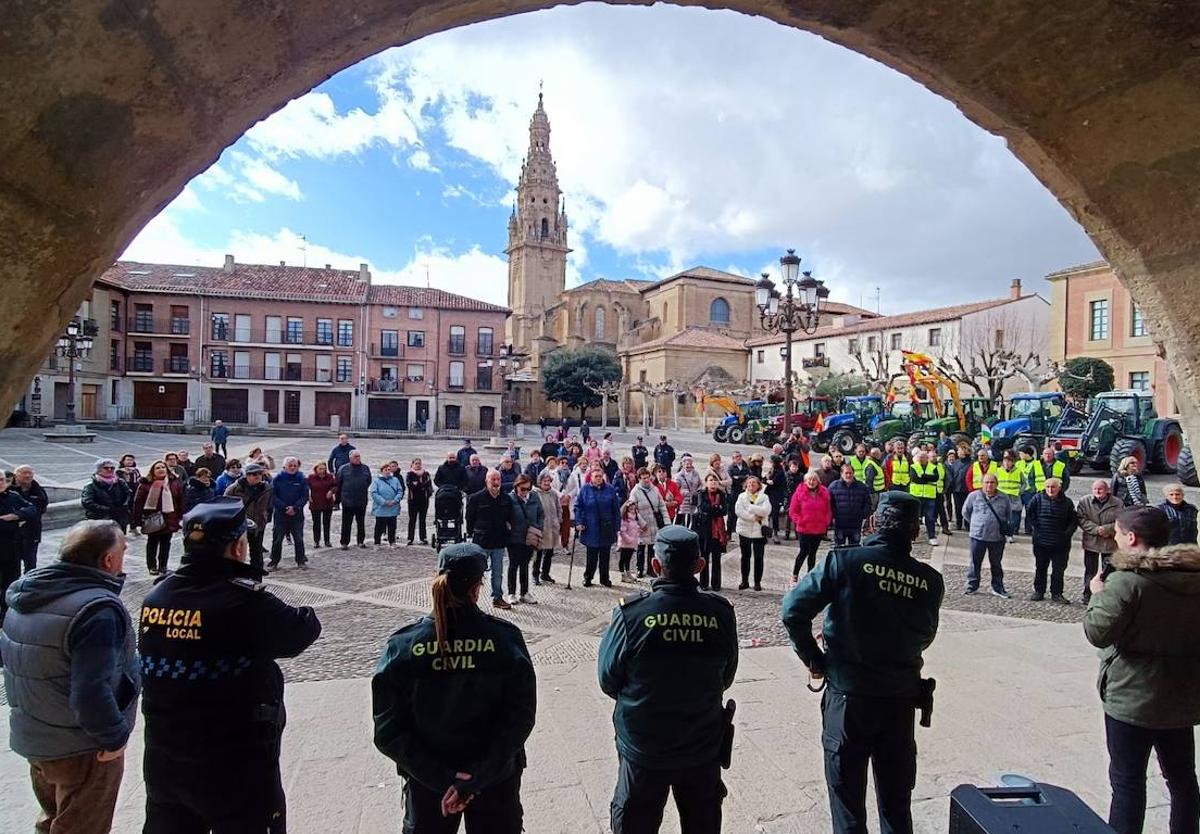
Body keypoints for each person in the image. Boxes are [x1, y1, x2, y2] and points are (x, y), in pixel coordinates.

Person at [139, 498, 322, 832]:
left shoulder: (157, 597)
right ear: (238, 547)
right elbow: (302, 629)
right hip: (233, 755)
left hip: (165, 753)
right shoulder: (243, 600)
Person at [782, 491, 944, 834]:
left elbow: (792, 611)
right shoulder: (929, 581)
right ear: (915, 532)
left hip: (849, 698)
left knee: (848, 809)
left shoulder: (844, 562)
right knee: (897, 807)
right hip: (899, 700)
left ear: (873, 523)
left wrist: (816, 660)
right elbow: (926, 635)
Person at [372, 542, 535, 834]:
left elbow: (388, 730)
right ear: (477, 587)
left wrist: (444, 778)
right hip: (494, 778)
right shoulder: (505, 640)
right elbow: (520, 717)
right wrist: (475, 777)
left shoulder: (404, 647)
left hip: (429, 783)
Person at [0, 519, 139, 834]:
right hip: (82, 747)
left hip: (37, 738)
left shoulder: (26, 596)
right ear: (107, 559)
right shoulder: (96, 609)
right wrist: (115, 737)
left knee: (53, 820)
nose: (124, 555)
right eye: (122, 549)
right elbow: (91, 691)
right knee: (81, 826)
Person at [598, 525, 738, 834]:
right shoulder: (720, 613)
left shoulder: (631, 615)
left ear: (656, 565)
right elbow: (726, 676)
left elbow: (608, 679)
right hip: (701, 743)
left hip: (645, 745)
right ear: (700, 567)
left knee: (635, 822)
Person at [1084, 505, 1200, 834]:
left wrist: (1097, 596)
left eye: (1118, 534)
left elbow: (1097, 631)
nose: (1115, 539)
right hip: (1181, 695)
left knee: (1127, 785)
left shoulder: (1129, 582)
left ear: (1131, 538)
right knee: (1183, 781)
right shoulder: (1194, 578)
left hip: (1132, 697)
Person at [466, 470, 516, 610]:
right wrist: (471, 533)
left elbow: (510, 517)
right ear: (486, 481)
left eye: (498, 479)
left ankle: (497, 597)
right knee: (476, 572)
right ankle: (470, 599)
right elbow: (469, 518)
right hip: (481, 541)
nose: (496, 482)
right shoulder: (476, 498)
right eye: (493, 479)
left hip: (499, 541)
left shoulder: (506, 498)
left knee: (497, 571)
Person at [962, 472, 1015, 598]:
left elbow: (1008, 515)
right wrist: (977, 523)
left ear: (997, 484)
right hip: (977, 536)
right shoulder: (973, 496)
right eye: (986, 482)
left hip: (997, 537)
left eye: (992, 482)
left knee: (996, 563)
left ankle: (997, 587)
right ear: (982, 484)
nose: (989, 485)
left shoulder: (1004, 497)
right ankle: (972, 586)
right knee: (975, 562)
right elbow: (966, 512)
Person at [1026, 477, 1079, 602]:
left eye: (1053, 487)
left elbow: (1073, 522)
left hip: (1060, 544)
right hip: (1041, 542)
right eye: (1048, 487)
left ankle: (1057, 593)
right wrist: (1037, 530)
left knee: (1058, 570)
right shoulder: (1037, 499)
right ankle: (1039, 591)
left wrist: (1066, 535)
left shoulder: (1067, 502)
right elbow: (1030, 514)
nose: (1050, 489)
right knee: (1040, 567)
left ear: (1059, 488)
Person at [133, 460, 184, 576]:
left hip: (170, 517)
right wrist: (137, 520)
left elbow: (181, 499)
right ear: (153, 471)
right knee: (152, 543)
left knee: (166, 544)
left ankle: (163, 566)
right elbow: (138, 502)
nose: (161, 469)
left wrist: (181, 516)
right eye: (158, 468)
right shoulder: (146, 484)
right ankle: (152, 566)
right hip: (153, 518)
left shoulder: (174, 483)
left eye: (163, 467)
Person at [0, 470, 39, 623]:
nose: (1, 483)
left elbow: (32, 509)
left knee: (10, 583)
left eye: (3, 480)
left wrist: (17, 516)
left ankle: (5, 614)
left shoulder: (12, 496)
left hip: (12, 549)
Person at [1077, 479, 1123, 604]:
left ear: (1107, 490)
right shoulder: (1085, 501)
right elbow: (1081, 519)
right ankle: (1088, 594)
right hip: (1092, 541)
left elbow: (1121, 520)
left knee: (1109, 570)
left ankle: (1107, 594)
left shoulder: (1117, 503)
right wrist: (1096, 529)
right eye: (1095, 489)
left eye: (1100, 489)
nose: (1097, 491)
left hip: (1109, 542)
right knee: (1090, 570)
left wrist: (1108, 529)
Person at [576, 467, 621, 588]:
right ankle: (588, 577)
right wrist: (579, 522)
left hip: (607, 527)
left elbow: (616, 509)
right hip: (591, 527)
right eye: (596, 476)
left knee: (605, 556)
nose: (599, 479)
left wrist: (617, 527)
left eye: (600, 476)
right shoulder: (585, 489)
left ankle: (604, 578)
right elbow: (578, 507)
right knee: (591, 556)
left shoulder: (610, 490)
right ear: (591, 477)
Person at [225, 462, 273, 571]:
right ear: (247, 476)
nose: (257, 476)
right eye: (254, 474)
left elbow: (270, 505)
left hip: (258, 525)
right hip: (239, 527)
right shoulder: (234, 489)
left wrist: (266, 518)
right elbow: (225, 507)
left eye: (260, 473)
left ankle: (257, 579)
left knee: (257, 554)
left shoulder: (267, 488)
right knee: (237, 554)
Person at [506, 475, 543, 604]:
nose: (525, 492)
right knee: (513, 565)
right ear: (516, 487)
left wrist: (538, 528)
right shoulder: (510, 498)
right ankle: (511, 593)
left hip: (530, 537)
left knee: (525, 565)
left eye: (528, 489)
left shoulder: (534, 496)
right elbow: (505, 516)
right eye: (523, 489)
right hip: (514, 538)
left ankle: (524, 592)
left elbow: (541, 514)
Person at [789, 470, 832, 581]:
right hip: (804, 528)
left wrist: (826, 522)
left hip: (818, 528)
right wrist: (800, 521)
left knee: (813, 553)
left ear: (818, 481)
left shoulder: (824, 492)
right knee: (803, 552)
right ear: (805, 481)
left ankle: (809, 575)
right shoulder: (799, 492)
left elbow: (828, 510)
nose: (811, 482)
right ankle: (795, 574)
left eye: (814, 480)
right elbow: (793, 511)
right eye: (809, 480)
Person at [268, 456, 310, 570]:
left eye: (295, 466)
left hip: (297, 514)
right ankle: (274, 561)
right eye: (290, 466)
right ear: (284, 467)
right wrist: (285, 508)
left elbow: (305, 496)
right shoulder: (277, 479)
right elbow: (273, 496)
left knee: (299, 538)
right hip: (281, 514)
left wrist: (295, 507)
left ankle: (301, 560)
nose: (292, 468)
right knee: (277, 539)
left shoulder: (302, 478)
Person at [693, 473, 731, 592]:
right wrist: (716, 508)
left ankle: (716, 584)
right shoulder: (701, 494)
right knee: (704, 557)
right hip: (705, 530)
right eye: (710, 480)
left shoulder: (722, 495)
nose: (713, 483)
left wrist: (714, 509)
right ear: (706, 482)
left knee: (716, 558)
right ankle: (703, 583)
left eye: (715, 481)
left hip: (718, 532)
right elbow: (702, 507)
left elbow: (724, 510)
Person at [628, 468, 667, 579]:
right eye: (644, 478)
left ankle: (651, 569)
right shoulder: (635, 492)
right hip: (642, 524)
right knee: (640, 548)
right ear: (639, 479)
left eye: (648, 477)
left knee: (652, 548)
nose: (646, 480)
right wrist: (640, 523)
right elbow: (632, 510)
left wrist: (667, 522)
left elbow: (662, 506)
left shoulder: (655, 489)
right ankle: (639, 569)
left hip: (654, 523)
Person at [735, 475, 771, 591]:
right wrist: (752, 517)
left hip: (759, 532)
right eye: (749, 483)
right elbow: (739, 511)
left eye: (753, 483)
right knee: (745, 557)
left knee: (758, 557)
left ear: (758, 485)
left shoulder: (764, 497)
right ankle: (744, 581)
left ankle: (757, 582)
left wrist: (751, 508)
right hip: (744, 530)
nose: (751, 485)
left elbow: (766, 511)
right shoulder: (741, 497)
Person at [12, 465, 49, 574]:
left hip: (32, 531)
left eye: (30, 473)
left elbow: (41, 508)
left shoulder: (38, 490)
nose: (27, 475)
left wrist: (22, 516)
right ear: (16, 475)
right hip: (13, 532)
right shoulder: (10, 490)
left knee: (31, 561)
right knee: (13, 561)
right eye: (24, 473)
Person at [82, 459, 134, 533]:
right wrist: (108, 509)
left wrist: (124, 506)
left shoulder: (120, 482)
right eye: (106, 468)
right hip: (100, 520)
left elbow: (129, 494)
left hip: (119, 518)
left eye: (112, 468)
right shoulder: (91, 485)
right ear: (99, 469)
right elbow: (87, 503)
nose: (109, 470)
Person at [829, 465, 873, 548]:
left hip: (855, 524)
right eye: (846, 473)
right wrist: (834, 515)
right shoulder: (833, 486)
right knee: (839, 548)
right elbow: (829, 503)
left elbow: (868, 503)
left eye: (850, 473)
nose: (848, 475)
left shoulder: (861, 487)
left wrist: (863, 514)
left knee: (854, 548)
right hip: (840, 524)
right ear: (841, 474)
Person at [337, 449, 372, 549]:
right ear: (350, 458)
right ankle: (344, 542)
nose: (357, 458)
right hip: (347, 500)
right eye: (355, 457)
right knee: (346, 523)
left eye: (359, 456)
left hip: (361, 500)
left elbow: (368, 481)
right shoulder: (343, 469)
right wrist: (338, 500)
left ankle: (360, 541)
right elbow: (339, 483)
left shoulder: (365, 468)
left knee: (361, 522)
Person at [908, 450, 942, 546]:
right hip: (916, 496)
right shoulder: (913, 467)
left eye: (924, 457)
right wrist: (927, 478)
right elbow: (915, 478)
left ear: (927, 458)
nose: (922, 459)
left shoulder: (933, 467)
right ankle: (912, 536)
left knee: (930, 518)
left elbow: (936, 477)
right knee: (914, 518)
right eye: (920, 457)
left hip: (929, 496)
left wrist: (923, 476)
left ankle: (932, 537)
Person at [533, 471, 561, 585]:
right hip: (540, 527)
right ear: (540, 482)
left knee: (549, 552)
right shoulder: (535, 493)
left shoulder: (553, 493)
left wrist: (558, 519)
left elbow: (558, 507)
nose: (547, 483)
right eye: (544, 481)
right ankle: (535, 574)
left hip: (552, 526)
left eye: (549, 481)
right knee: (538, 553)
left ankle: (545, 573)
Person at [371, 461, 405, 547]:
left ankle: (392, 541)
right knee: (379, 525)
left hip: (393, 507)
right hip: (381, 508)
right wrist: (383, 502)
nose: (388, 471)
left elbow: (400, 491)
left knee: (392, 526)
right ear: (382, 471)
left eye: (389, 469)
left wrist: (395, 500)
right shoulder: (377, 481)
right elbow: (374, 493)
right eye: (386, 469)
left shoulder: (395, 480)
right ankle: (377, 542)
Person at [307, 461, 337, 549]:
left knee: (326, 522)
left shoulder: (330, 477)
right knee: (316, 523)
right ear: (316, 469)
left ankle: (327, 540)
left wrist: (331, 491)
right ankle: (316, 541)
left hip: (327, 503)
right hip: (315, 503)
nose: (322, 471)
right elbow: (305, 486)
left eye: (323, 469)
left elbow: (335, 486)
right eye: (320, 469)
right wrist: (307, 495)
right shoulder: (311, 477)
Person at [405, 458, 434, 546]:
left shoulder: (426, 474)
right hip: (412, 500)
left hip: (424, 500)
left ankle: (423, 537)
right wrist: (419, 484)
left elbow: (428, 484)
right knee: (412, 520)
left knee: (422, 520)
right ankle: (410, 538)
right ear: (412, 464)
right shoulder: (409, 474)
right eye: (416, 463)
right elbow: (410, 486)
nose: (418, 465)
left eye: (419, 464)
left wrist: (418, 484)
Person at [995, 451, 1023, 541]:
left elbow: (1025, 484)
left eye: (1009, 462)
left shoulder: (1018, 471)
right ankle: (1001, 533)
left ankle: (1010, 535)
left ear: (1012, 462)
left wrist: (1019, 491)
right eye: (1005, 461)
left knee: (1013, 518)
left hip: (1014, 498)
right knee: (1001, 516)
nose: (1007, 464)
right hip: (1002, 498)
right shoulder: (998, 471)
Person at [618, 501, 645, 585]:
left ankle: (628, 573)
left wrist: (638, 530)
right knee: (623, 559)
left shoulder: (633, 518)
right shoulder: (625, 519)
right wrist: (629, 539)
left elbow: (633, 528)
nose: (633, 511)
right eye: (631, 509)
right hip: (625, 543)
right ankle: (623, 575)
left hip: (632, 543)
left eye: (634, 509)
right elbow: (622, 532)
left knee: (628, 559)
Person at [675, 455, 703, 529]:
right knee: (684, 518)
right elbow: (676, 489)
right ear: (683, 465)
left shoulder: (696, 474)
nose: (689, 466)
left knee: (692, 517)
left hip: (693, 500)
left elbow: (700, 484)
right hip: (684, 501)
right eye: (687, 464)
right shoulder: (679, 476)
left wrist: (697, 492)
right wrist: (684, 492)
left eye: (690, 464)